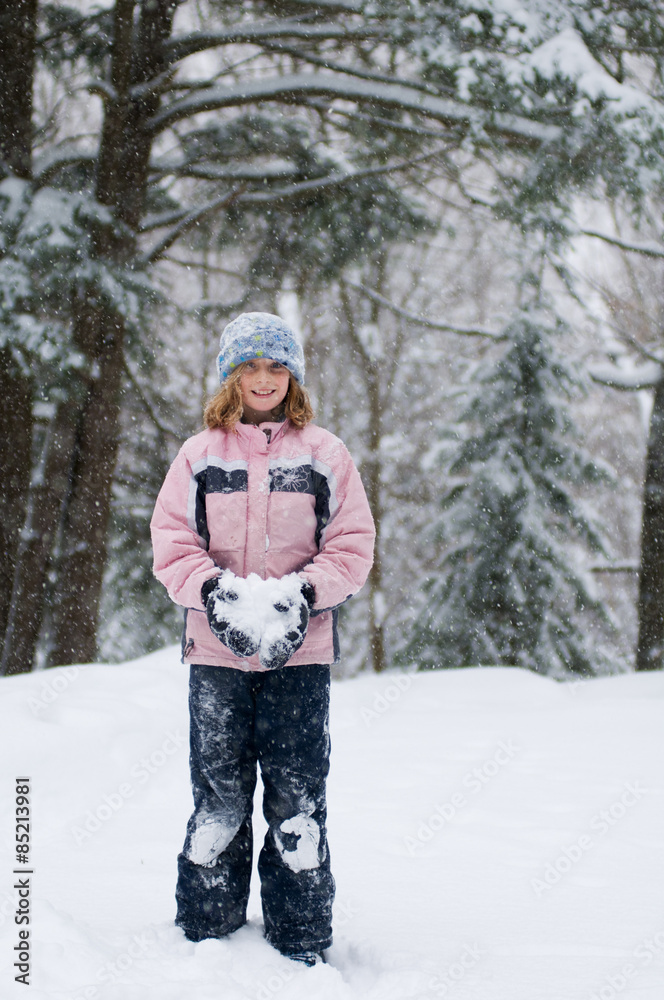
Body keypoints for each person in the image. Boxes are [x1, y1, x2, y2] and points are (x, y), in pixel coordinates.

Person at [150, 312, 375, 966]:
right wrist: (214, 593)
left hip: (298, 659)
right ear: (230, 375)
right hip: (215, 660)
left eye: (276, 367)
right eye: (250, 367)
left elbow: (353, 548)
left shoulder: (325, 455)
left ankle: (300, 941)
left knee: (296, 803)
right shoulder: (198, 456)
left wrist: (303, 594)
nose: (264, 379)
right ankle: (207, 939)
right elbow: (172, 545)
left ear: (293, 375)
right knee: (219, 803)